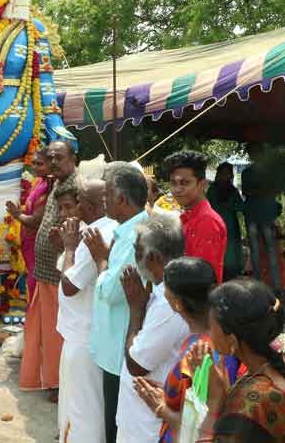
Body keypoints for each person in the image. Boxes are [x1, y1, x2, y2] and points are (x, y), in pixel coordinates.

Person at [188, 280, 285, 442]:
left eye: (211, 326)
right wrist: (223, 388)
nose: (208, 333)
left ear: (232, 342)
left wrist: (215, 401)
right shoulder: (277, 367)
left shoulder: (255, 400)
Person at [83, 161, 148, 443]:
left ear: (122, 199)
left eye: (107, 195)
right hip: (114, 343)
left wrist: (101, 259)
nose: (103, 200)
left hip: (120, 347)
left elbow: (110, 292)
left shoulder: (134, 237)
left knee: (116, 424)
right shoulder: (127, 231)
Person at [115, 213, 189, 443]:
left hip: (147, 426)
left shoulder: (169, 304)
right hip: (139, 419)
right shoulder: (161, 292)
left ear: (153, 257)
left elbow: (137, 365)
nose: (134, 259)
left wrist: (136, 310)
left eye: (137, 251)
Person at [55, 177, 116, 442]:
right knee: (84, 405)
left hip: (84, 336)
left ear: (92, 204)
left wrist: (69, 247)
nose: (74, 207)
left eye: (78, 200)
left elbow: (70, 285)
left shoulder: (96, 233)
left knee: (83, 409)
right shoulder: (105, 227)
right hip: (89, 332)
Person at [131, 257, 217, 443]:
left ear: (177, 303)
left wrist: (160, 407)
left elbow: (201, 425)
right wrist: (168, 390)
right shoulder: (215, 339)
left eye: (165, 289)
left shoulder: (197, 351)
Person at [20, 140, 77, 401]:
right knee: (44, 330)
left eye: (59, 158)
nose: (54, 162)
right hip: (46, 272)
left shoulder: (76, 187)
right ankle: (48, 378)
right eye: (51, 158)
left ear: (73, 158)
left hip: (59, 274)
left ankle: (59, 382)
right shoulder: (56, 184)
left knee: (57, 333)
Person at [163, 150, 227, 284]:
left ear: (202, 185)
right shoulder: (187, 217)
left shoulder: (207, 221)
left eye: (185, 183)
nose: (177, 189)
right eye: (173, 183)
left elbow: (201, 281)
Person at [6, 146, 52, 302]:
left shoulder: (48, 187)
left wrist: (17, 214)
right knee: (32, 283)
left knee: (35, 284)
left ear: (51, 165)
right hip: (29, 242)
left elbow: (36, 220)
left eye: (40, 164)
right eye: (33, 163)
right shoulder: (39, 181)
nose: (35, 167)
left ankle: (39, 321)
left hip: (38, 243)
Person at [242, 143, 282, 291]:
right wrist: (263, 191)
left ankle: (267, 285)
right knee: (263, 250)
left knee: (259, 250)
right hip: (260, 213)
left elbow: (248, 192)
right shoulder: (267, 173)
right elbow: (249, 191)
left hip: (258, 213)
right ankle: (272, 286)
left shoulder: (250, 172)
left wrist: (257, 191)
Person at [207, 162, 245, 281]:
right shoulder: (212, 189)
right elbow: (207, 206)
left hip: (230, 228)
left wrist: (229, 205)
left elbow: (241, 207)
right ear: (218, 174)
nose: (225, 176)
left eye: (228, 174)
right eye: (223, 173)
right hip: (215, 227)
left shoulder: (233, 191)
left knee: (231, 256)